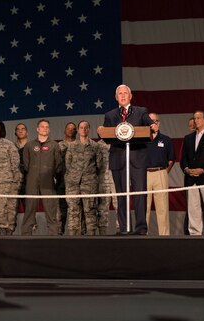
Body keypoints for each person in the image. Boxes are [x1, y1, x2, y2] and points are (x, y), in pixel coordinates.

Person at [101, 84, 154, 235]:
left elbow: (149, 125)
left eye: (125, 93)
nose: (123, 96)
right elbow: (106, 136)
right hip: (118, 159)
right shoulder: (110, 115)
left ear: (130, 96)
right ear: (116, 97)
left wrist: (153, 127)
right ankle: (124, 227)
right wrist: (100, 131)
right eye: (120, 94)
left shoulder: (141, 111)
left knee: (139, 194)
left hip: (137, 159)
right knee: (121, 195)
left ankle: (140, 228)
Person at [22, 119, 62, 236]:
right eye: (42, 127)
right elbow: (26, 164)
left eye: (47, 127)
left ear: (49, 130)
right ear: (37, 129)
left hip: (48, 181)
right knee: (29, 209)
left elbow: (58, 164)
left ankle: (53, 237)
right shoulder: (29, 145)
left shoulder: (54, 145)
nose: (45, 129)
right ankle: (25, 236)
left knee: (51, 210)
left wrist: (53, 177)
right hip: (32, 181)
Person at [64, 121, 102, 235]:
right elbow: (68, 163)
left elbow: (99, 165)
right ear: (78, 130)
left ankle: (91, 239)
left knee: (90, 211)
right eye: (81, 128)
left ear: (89, 129)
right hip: (73, 183)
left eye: (86, 128)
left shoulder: (95, 146)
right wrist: (74, 175)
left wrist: (89, 174)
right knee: (73, 211)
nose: (83, 130)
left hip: (89, 183)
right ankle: (74, 238)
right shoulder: (71, 146)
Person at [145, 113, 175, 236]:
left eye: (156, 120)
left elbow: (171, 159)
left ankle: (164, 236)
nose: (154, 122)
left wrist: (164, 172)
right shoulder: (141, 139)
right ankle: (142, 235)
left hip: (161, 172)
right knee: (144, 208)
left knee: (162, 208)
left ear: (159, 123)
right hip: (144, 174)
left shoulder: (166, 139)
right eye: (151, 120)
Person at [58, 122, 77, 234]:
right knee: (61, 210)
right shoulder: (58, 146)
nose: (70, 131)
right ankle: (60, 234)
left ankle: (75, 234)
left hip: (76, 183)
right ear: (65, 131)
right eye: (68, 129)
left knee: (75, 210)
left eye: (73, 129)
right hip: (61, 182)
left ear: (76, 131)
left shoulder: (79, 145)